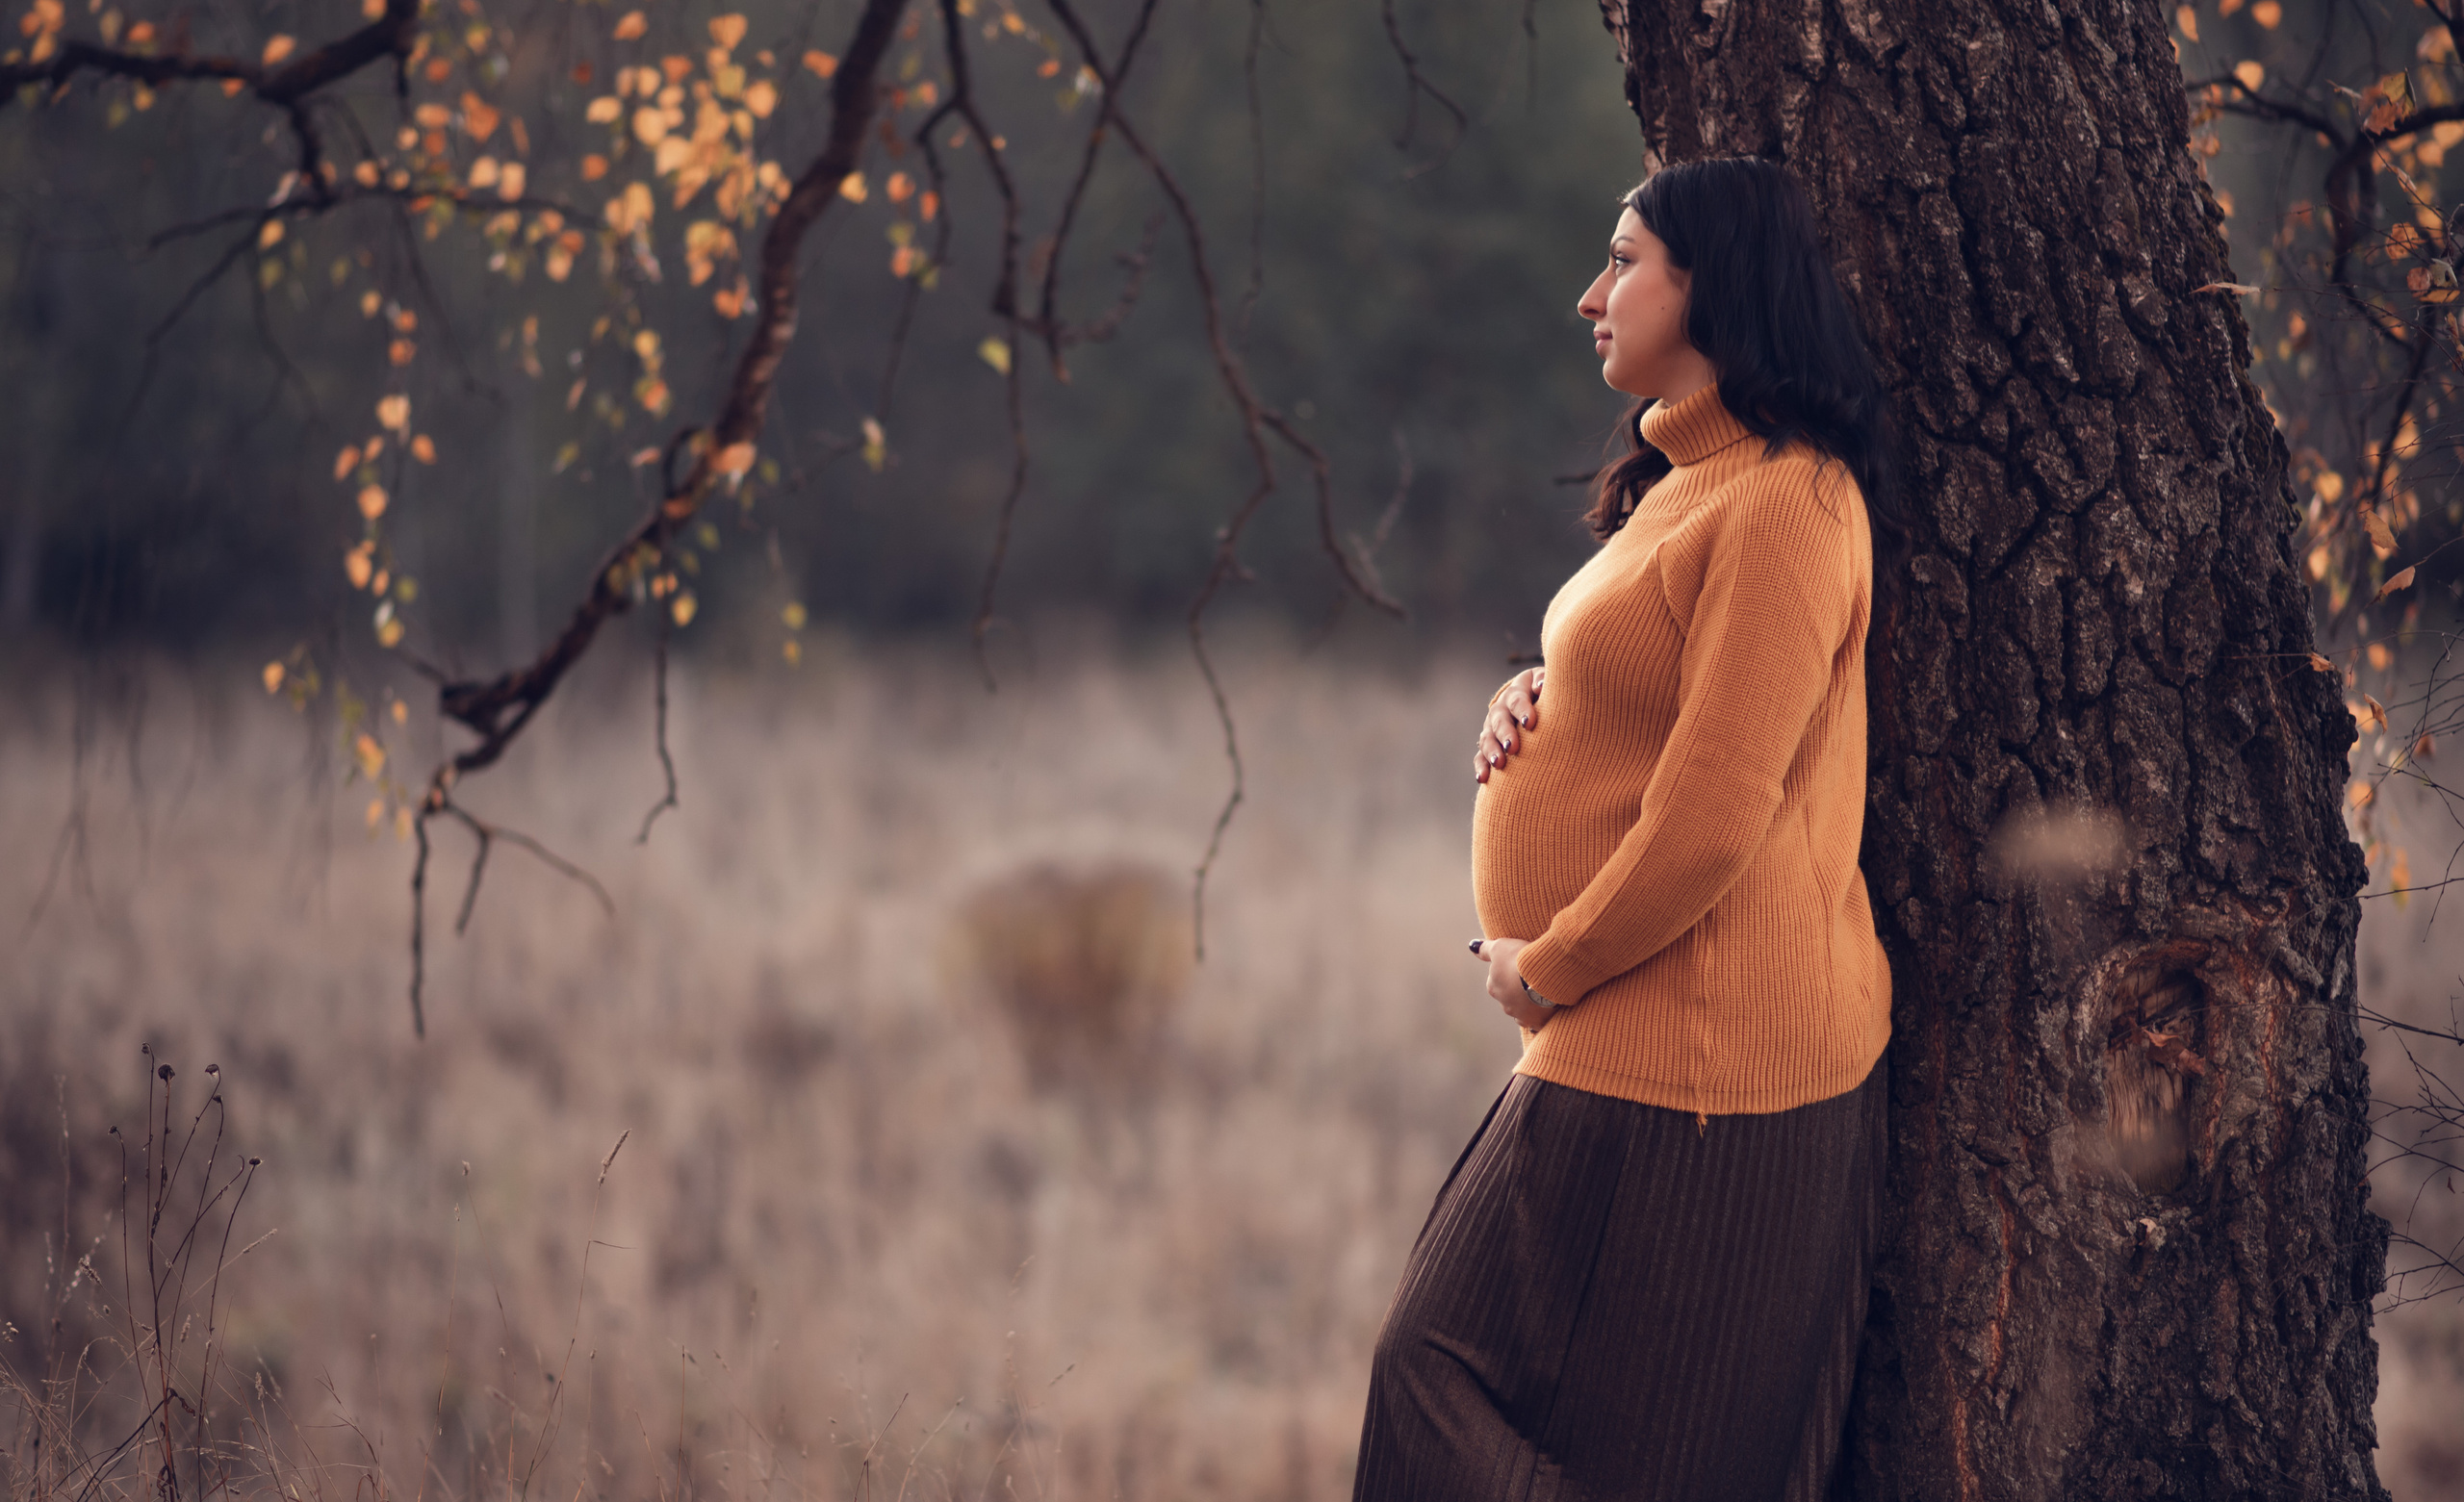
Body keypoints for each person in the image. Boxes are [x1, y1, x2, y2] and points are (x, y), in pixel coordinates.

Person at [1350, 157, 1909, 1501]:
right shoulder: (1690, 484)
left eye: (1623, 261)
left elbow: (1719, 811)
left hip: (1708, 1061)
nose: (1590, 295)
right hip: (1646, 1041)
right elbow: (1651, 687)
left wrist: (1550, 964)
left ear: (1712, 285)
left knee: (1445, 1379)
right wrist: (1528, 698)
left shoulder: (1789, 503)